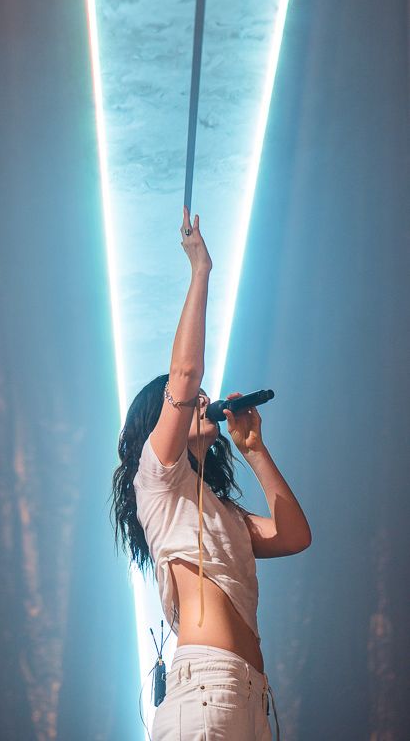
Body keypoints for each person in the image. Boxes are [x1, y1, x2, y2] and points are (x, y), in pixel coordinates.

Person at [111, 207, 312, 740]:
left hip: (251, 697)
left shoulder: (219, 509)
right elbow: (185, 373)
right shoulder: (159, 484)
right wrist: (201, 271)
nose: (204, 398)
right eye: (189, 401)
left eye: (204, 399)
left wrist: (256, 450)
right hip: (205, 691)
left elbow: (294, 536)